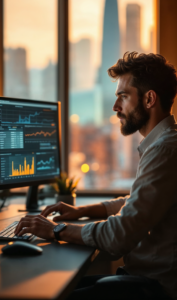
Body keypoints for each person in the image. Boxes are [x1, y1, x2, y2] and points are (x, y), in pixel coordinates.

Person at [15, 52, 177, 300]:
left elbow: (119, 236)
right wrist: (82, 211)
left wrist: (56, 230)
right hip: (144, 280)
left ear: (149, 99)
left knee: (39, 292)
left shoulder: (165, 150)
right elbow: (137, 203)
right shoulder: (163, 145)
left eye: (123, 97)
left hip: (155, 289)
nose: (115, 107)